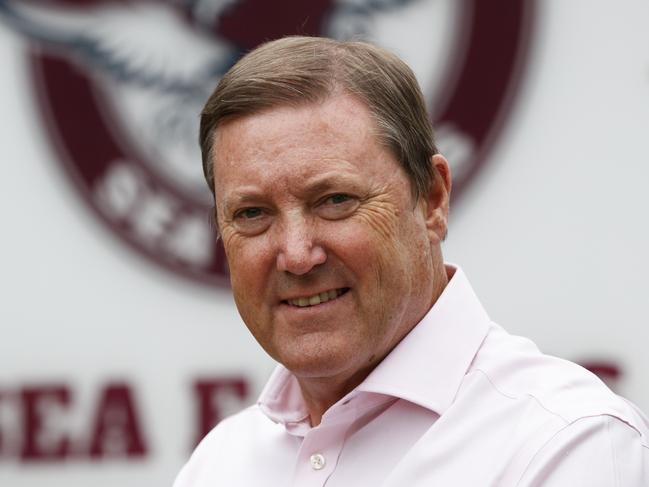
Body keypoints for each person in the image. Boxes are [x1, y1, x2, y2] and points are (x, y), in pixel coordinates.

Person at [174, 36, 649, 486]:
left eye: (335, 200)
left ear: (432, 198)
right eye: (253, 213)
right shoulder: (219, 464)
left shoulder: (563, 441)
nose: (297, 255)